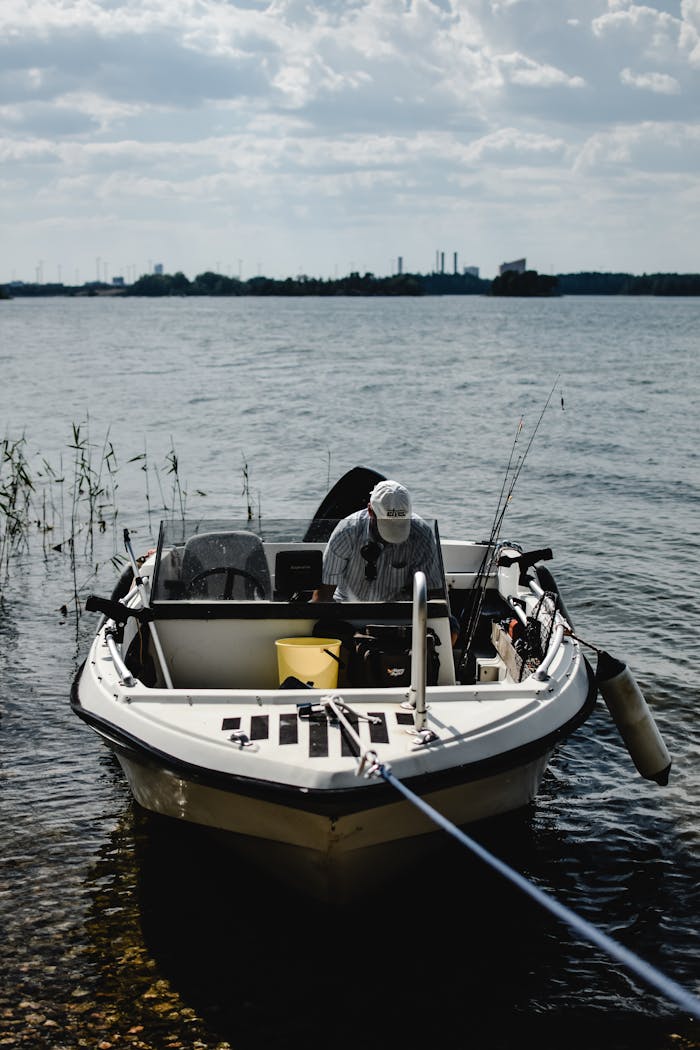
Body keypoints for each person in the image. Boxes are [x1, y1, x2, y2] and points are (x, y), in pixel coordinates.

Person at [311, 479, 445, 602]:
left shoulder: (422, 534)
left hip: (400, 612)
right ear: (370, 510)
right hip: (347, 609)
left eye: (400, 524)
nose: (393, 535)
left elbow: (433, 593)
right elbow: (323, 594)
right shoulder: (346, 533)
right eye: (387, 524)